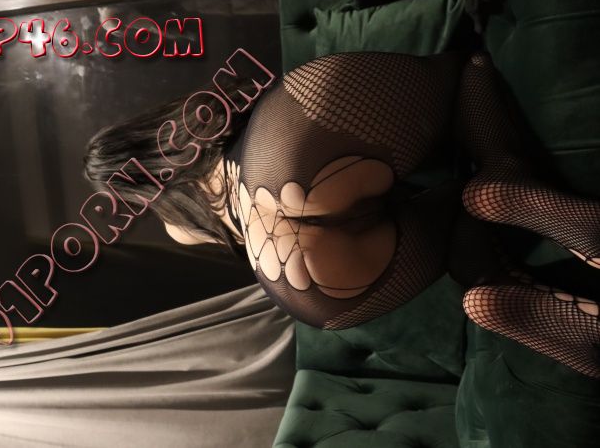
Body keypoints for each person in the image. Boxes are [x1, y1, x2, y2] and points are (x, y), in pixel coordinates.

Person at [84, 51, 599, 379]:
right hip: (280, 155)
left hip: (294, 274)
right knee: (467, 68)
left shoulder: (180, 228)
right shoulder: (204, 118)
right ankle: (500, 170)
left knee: (455, 249)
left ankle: (491, 287)